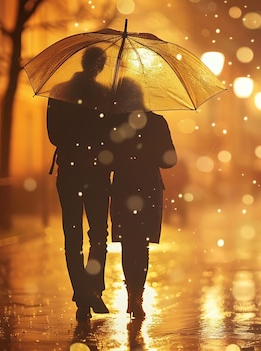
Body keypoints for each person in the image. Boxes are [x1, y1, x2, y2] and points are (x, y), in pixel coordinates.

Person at [47, 47, 112, 321]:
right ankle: (93, 289)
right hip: (97, 173)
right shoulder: (107, 96)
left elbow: (53, 136)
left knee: (72, 236)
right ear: (99, 67)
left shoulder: (59, 91)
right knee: (98, 234)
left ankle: (82, 294)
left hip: (70, 172)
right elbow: (113, 137)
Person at [108, 78, 177, 320]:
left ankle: (131, 293)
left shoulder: (114, 122)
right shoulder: (157, 122)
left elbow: (106, 156)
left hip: (124, 186)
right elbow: (170, 160)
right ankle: (138, 295)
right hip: (148, 186)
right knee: (142, 243)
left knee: (129, 241)